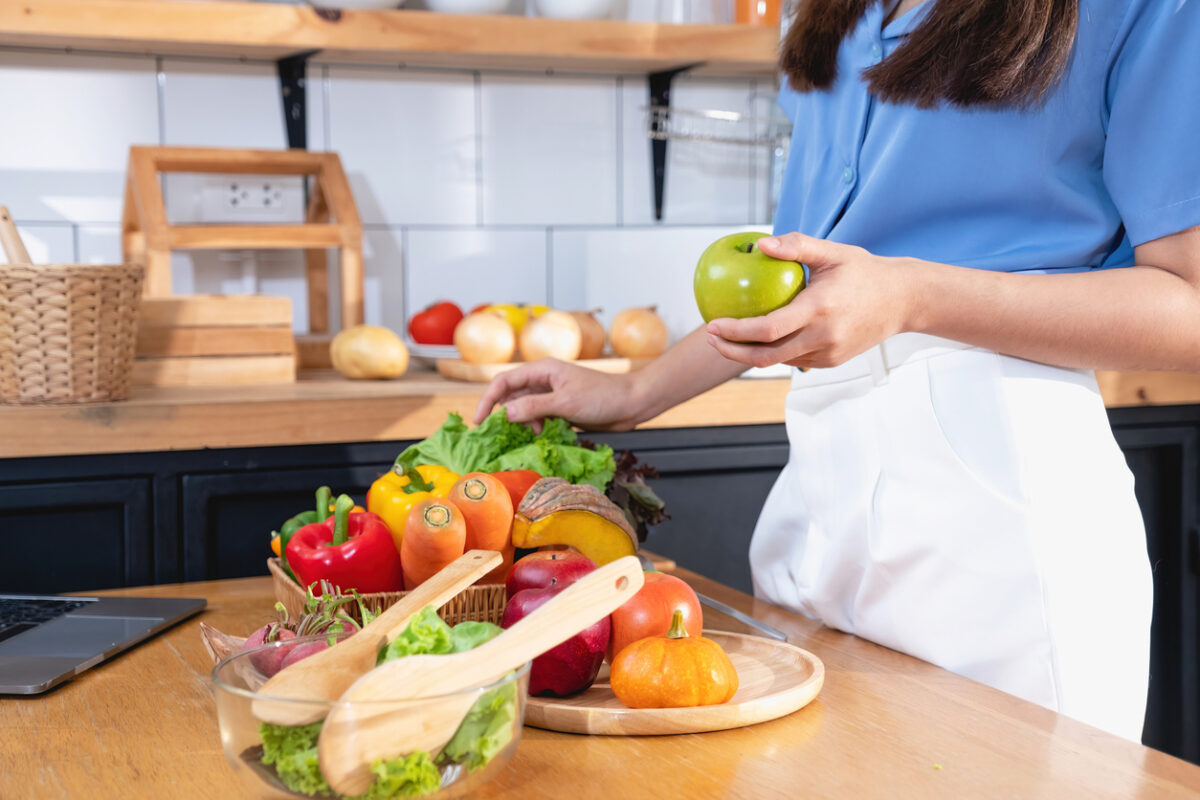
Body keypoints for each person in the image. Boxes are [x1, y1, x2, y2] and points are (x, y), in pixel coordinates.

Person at [475, 0, 1200, 742]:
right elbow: (806, 282)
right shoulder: (833, 14)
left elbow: (1190, 304)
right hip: (821, 490)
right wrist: (636, 391)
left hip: (1003, 513)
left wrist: (912, 296)